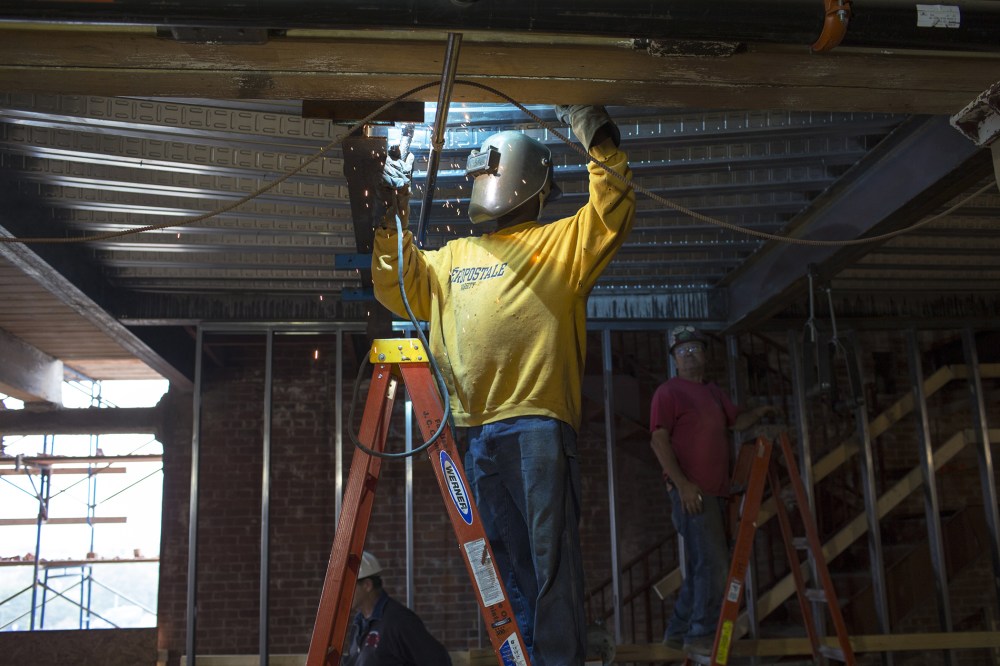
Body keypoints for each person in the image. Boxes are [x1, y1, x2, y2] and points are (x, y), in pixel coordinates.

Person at [372, 106, 635, 665]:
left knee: (548, 562)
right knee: (506, 561)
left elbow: (611, 206)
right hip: (473, 433)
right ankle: (535, 656)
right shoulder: (450, 259)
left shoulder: (560, 244)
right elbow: (396, 282)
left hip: (537, 424)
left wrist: (598, 138)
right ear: (533, 183)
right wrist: (384, 211)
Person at [648, 325, 775, 655]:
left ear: (705, 355)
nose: (689, 355)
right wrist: (684, 485)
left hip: (717, 494)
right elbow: (658, 440)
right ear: (674, 359)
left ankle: (677, 632)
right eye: (682, 351)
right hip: (693, 494)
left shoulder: (715, 393)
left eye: (695, 349)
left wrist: (760, 412)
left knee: (704, 565)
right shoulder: (668, 392)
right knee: (716, 564)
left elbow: (736, 423)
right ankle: (701, 634)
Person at [343, 551, 452, 666]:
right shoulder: (359, 624)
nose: (343, 593)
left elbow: (438, 660)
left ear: (367, 585)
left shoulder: (399, 621)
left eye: (348, 586)